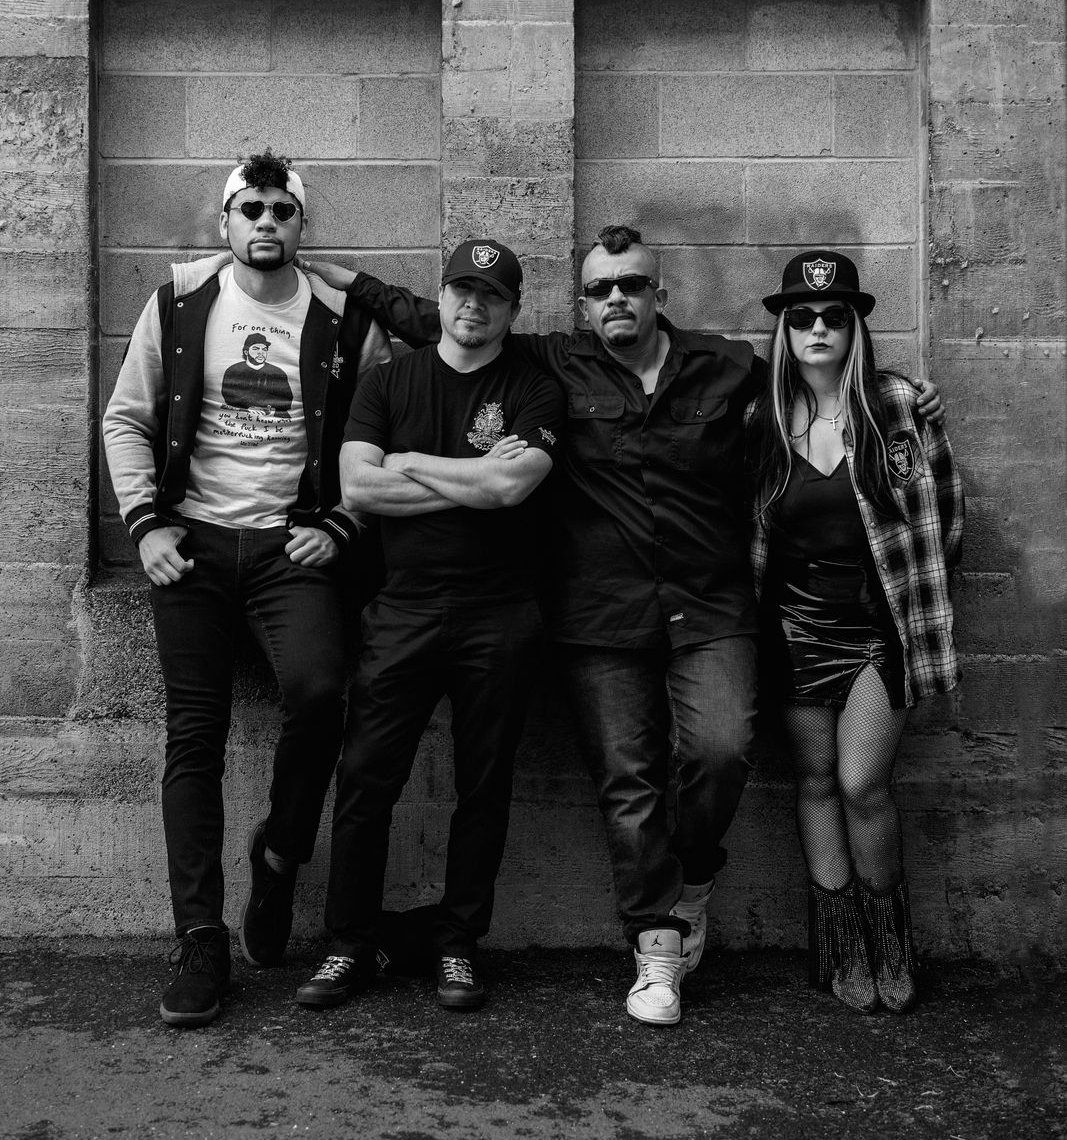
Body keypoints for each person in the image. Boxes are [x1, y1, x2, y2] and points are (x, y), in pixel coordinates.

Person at [308, 226, 943, 1028]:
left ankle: (693, 879)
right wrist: (339, 277)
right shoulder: (552, 361)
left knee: (720, 751)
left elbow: (813, 376)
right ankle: (655, 946)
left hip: (709, 608)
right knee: (628, 783)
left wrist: (898, 393)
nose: (616, 299)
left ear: (658, 295)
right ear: (581, 304)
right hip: (598, 617)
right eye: (601, 289)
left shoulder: (723, 365)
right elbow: (445, 319)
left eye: (631, 285)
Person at [102, 150, 391, 1029]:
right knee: (193, 735)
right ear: (224, 221)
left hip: (286, 549)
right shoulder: (179, 303)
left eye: (281, 211)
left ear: (301, 224)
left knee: (320, 691)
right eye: (250, 209)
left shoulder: (344, 321)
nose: (265, 223)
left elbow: (378, 438)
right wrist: (145, 523)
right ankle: (200, 938)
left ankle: (279, 855)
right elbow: (126, 417)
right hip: (190, 545)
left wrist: (339, 524)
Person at [296, 239, 565, 1014]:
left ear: (512, 310)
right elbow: (358, 488)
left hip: (500, 614)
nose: (473, 305)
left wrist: (408, 462)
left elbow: (512, 488)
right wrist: (471, 478)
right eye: (461, 290)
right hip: (404, 608)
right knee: (364, 779)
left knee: (484, 785)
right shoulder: (389, 380)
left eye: (491, 295)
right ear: (440, 298)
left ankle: (456, 943)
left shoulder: (534, 388)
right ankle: (349, 944)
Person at [745, 251, 963, 1013]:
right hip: (793, 633)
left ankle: (890, 943)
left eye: (833, 316)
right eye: (801, 317)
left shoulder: (897, 406)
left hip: (878, 632)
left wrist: (915, 591)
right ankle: (840, 949)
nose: (817, 328)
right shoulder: (761, 422)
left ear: (854, 328)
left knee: (860, 783)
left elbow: (946, 514)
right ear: (782, 330)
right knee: (811, 780)